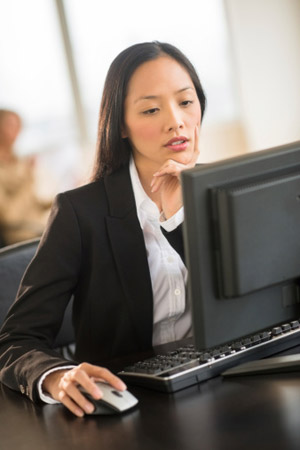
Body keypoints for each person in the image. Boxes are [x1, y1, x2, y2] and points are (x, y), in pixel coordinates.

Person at [0, 41, 206, 417]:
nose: (176, 121)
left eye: (186, 101)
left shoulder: (225, 192)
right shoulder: (81, 213)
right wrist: (55, 376)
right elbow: (16, 339)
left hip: (224, 384)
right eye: (151, 109)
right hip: (128, 406)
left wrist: (179, 218)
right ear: (121, 126)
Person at [0, 109, 50, 246]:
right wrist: (27, 177)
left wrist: (60, 200)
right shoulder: (21, 167)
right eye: (10, 125)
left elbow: (32, 202)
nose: (17, 131)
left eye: (18, 125)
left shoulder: (18, 161)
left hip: (40, 226)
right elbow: (9, 217)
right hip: (22, 236)